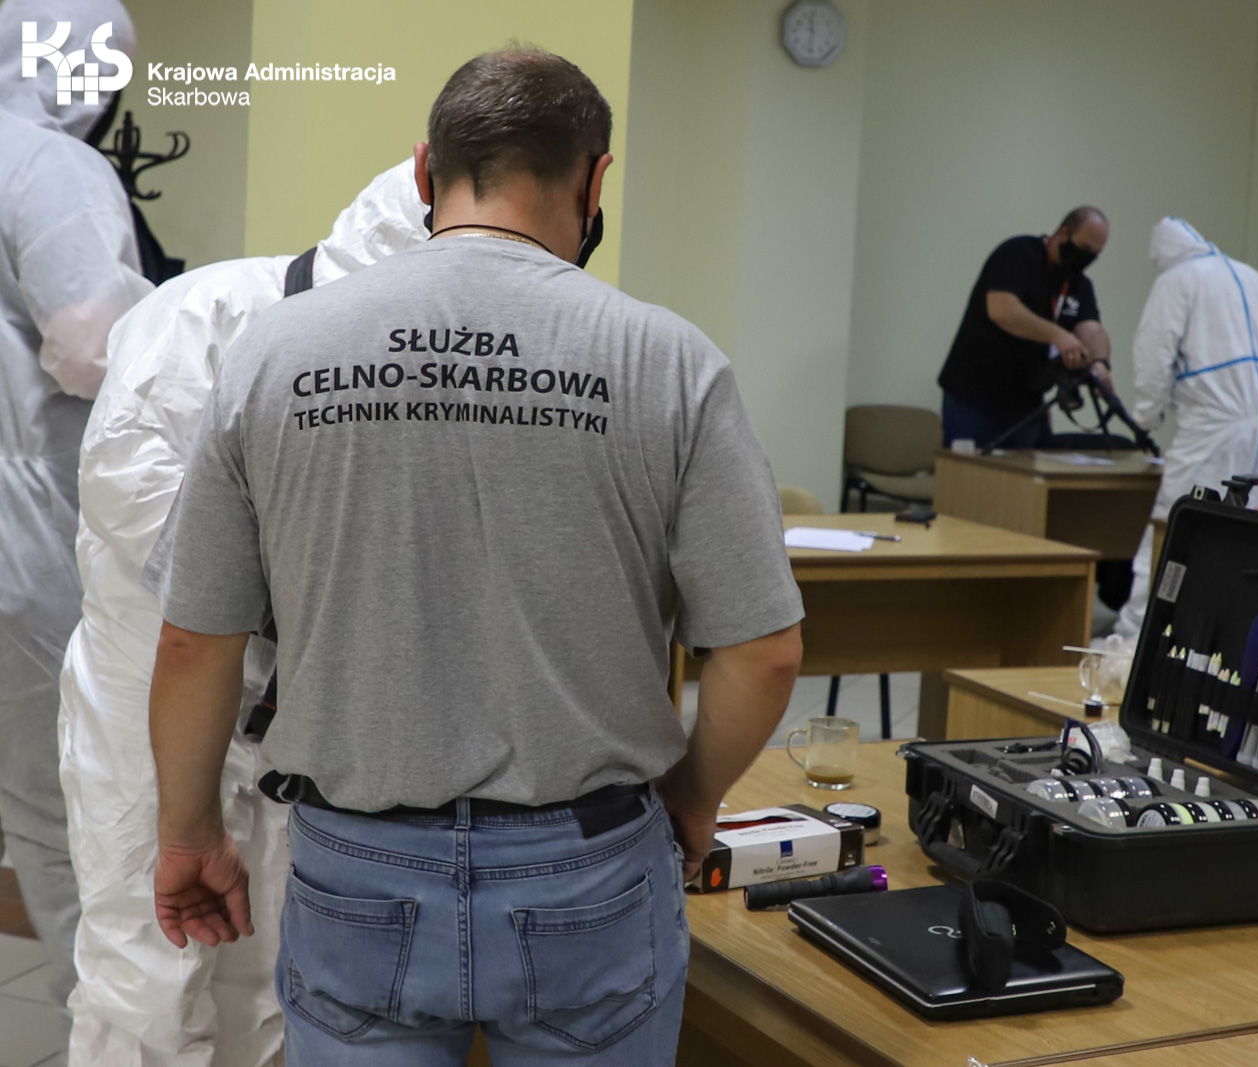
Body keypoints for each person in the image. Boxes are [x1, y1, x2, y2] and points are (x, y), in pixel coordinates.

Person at [146, 47, 804, 1065]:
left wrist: (189, 832)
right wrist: (690, 795)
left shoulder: (275, 353)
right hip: (589, 868)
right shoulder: (669, 360)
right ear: (595, 181)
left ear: (425, 171)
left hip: (357, 869)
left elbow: (196, 641)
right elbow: (764, 652)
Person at [59, 161, 429, 1067]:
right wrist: (307, 586)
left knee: (269, 970)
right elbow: (131, 496)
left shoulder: (420, 363)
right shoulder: (203, 314)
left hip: (298, 710)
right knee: (146, 975)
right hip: (150, 691)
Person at [0, 0, 149, 1005]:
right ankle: (105, 1029)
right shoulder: (45, 164)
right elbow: (95, 343)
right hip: (26, 526)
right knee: (64, 810)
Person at [1111, 217, 1258, 641]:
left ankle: (1133, 640)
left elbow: (1153, 353)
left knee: (1173, 527)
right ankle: (1229, 637)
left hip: (1214, 421)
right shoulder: (1254, 278)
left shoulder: (1176, 280)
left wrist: (1146, 418)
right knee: (1250, 535)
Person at [937, 207, 1113, 448]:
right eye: (1084, 249)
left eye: (1095, 254)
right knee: (969, 470)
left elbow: (1091, 330)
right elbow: (1002, 309)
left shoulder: (1079, 285)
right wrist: (1058, 336)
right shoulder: (1018, 254)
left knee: (1027, 469)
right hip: (975, 398)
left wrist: (1100, 363)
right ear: (1063, 234)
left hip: (1026, 404)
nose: (1087, 258)